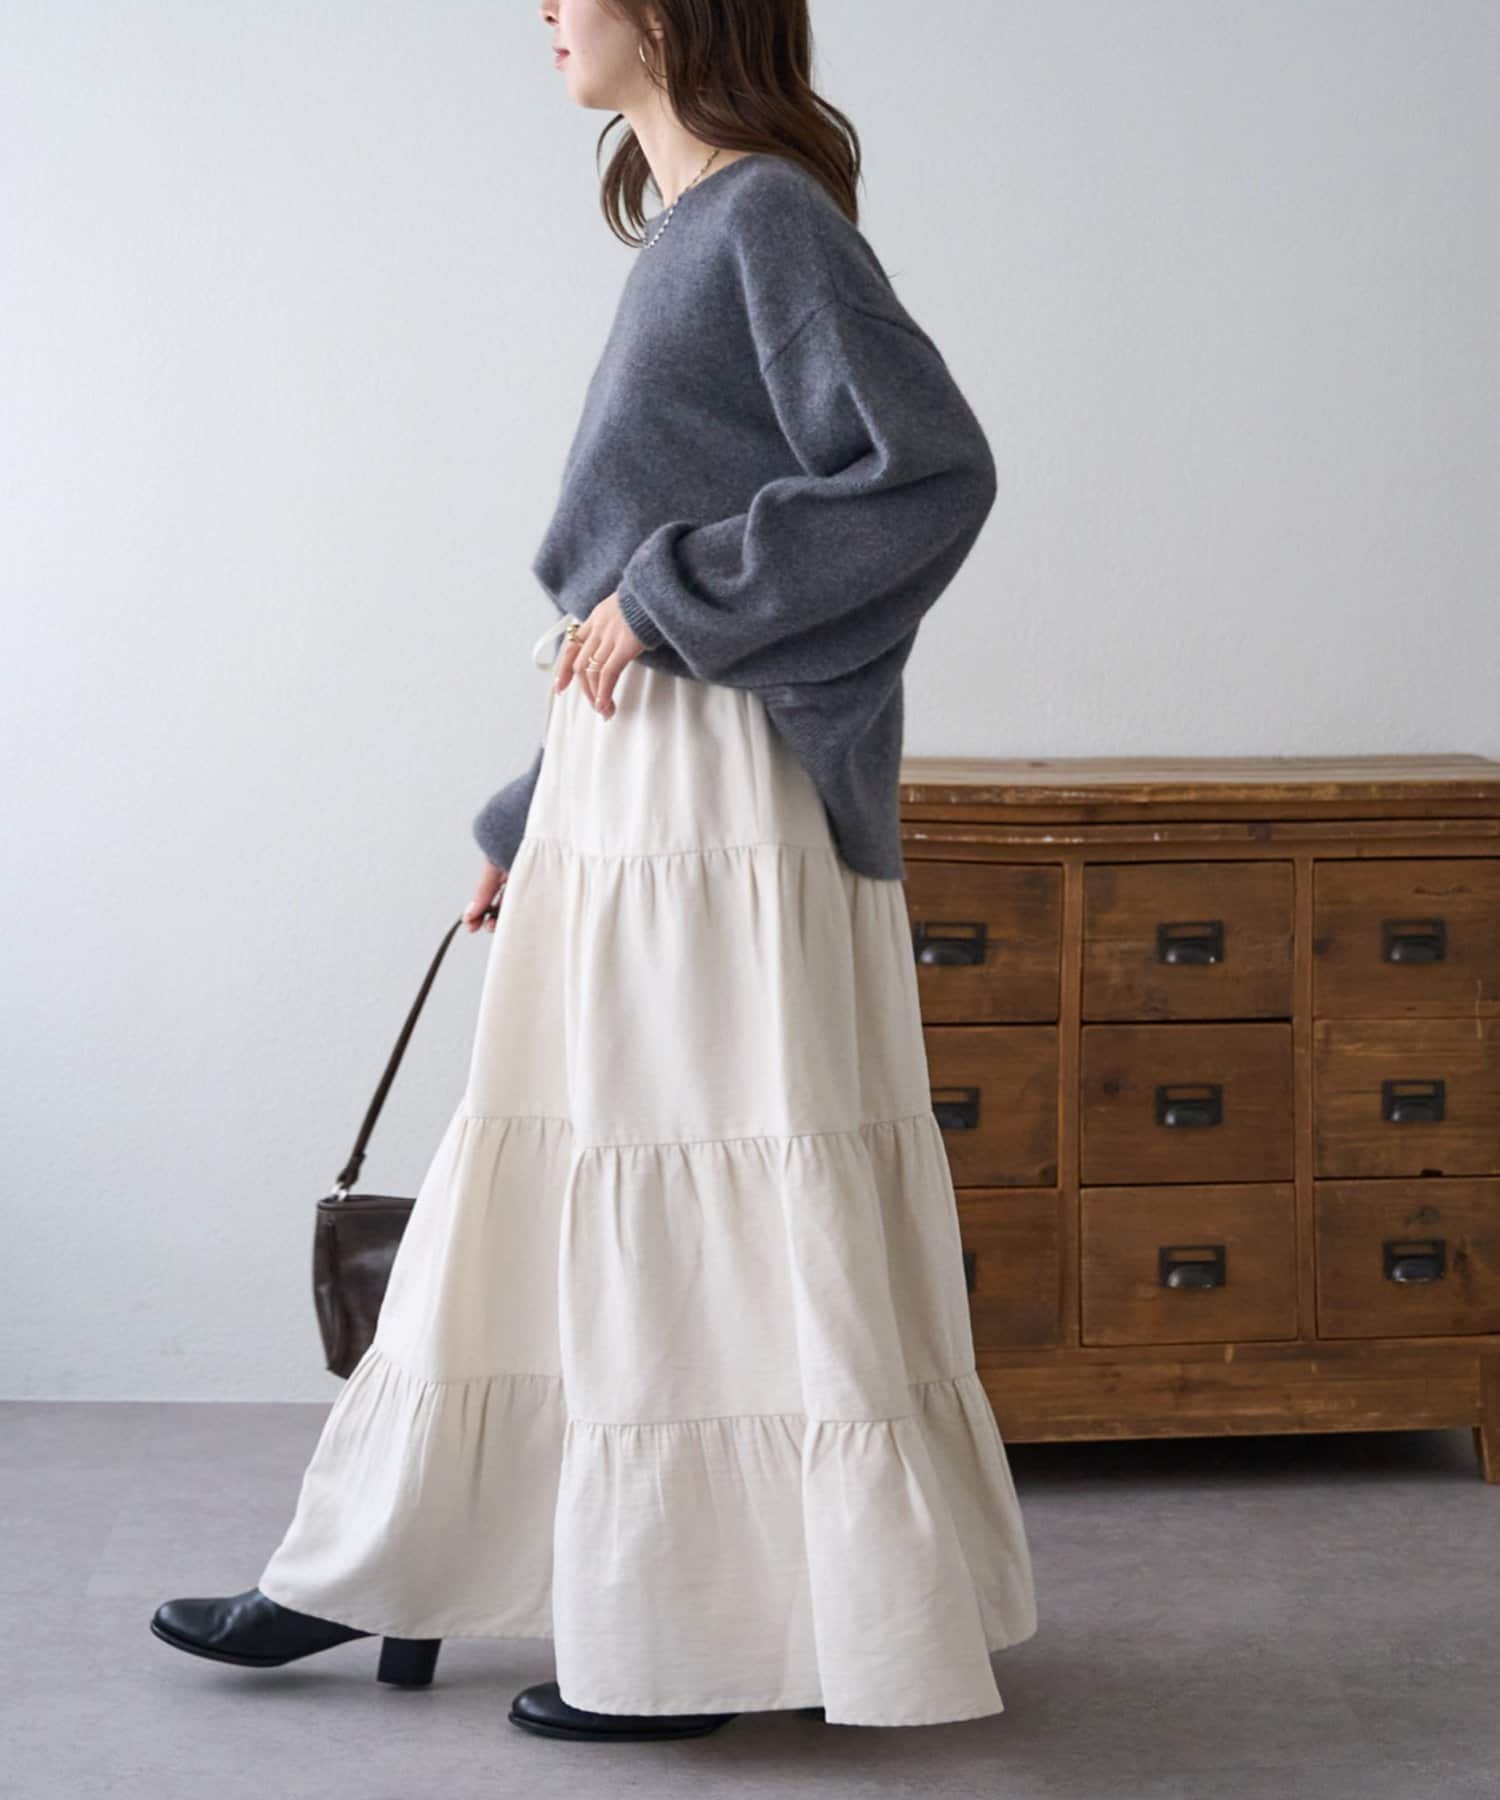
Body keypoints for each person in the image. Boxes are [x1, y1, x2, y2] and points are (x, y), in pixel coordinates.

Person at [151, 0, 1038, 1742]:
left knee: (689, 1200)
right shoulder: (698, 228)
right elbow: (618, 599)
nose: (544, 8)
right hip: (633, 804)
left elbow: (930, 477)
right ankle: (376, 1563)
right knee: (543, 1185)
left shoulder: (766, 215)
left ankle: (690, 1641)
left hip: (719, 815)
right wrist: (528, 817)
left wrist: (681, 591)